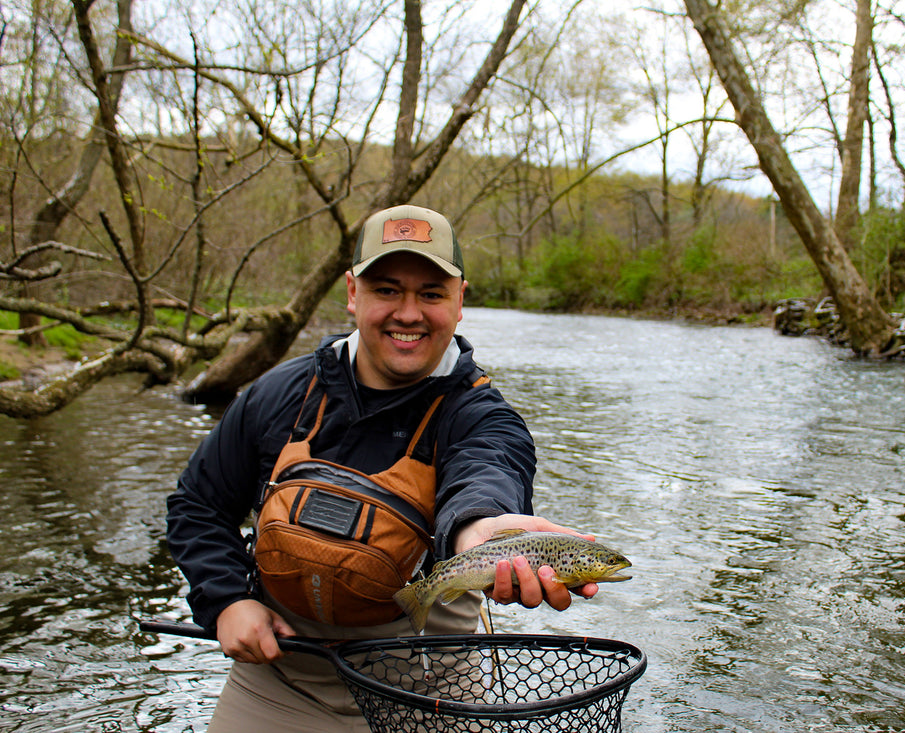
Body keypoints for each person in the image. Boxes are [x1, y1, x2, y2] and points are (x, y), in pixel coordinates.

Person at [166, 204, 600, 732]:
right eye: (387, 289)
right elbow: (198, 505)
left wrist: (482, 533)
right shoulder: (278, 393)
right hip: (280, 679)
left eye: (432, 294)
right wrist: (227, 599)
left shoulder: (483, 417)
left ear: (460, 301)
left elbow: (486, 476)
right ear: (352, 294)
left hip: (432, 689)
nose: (409, 313)